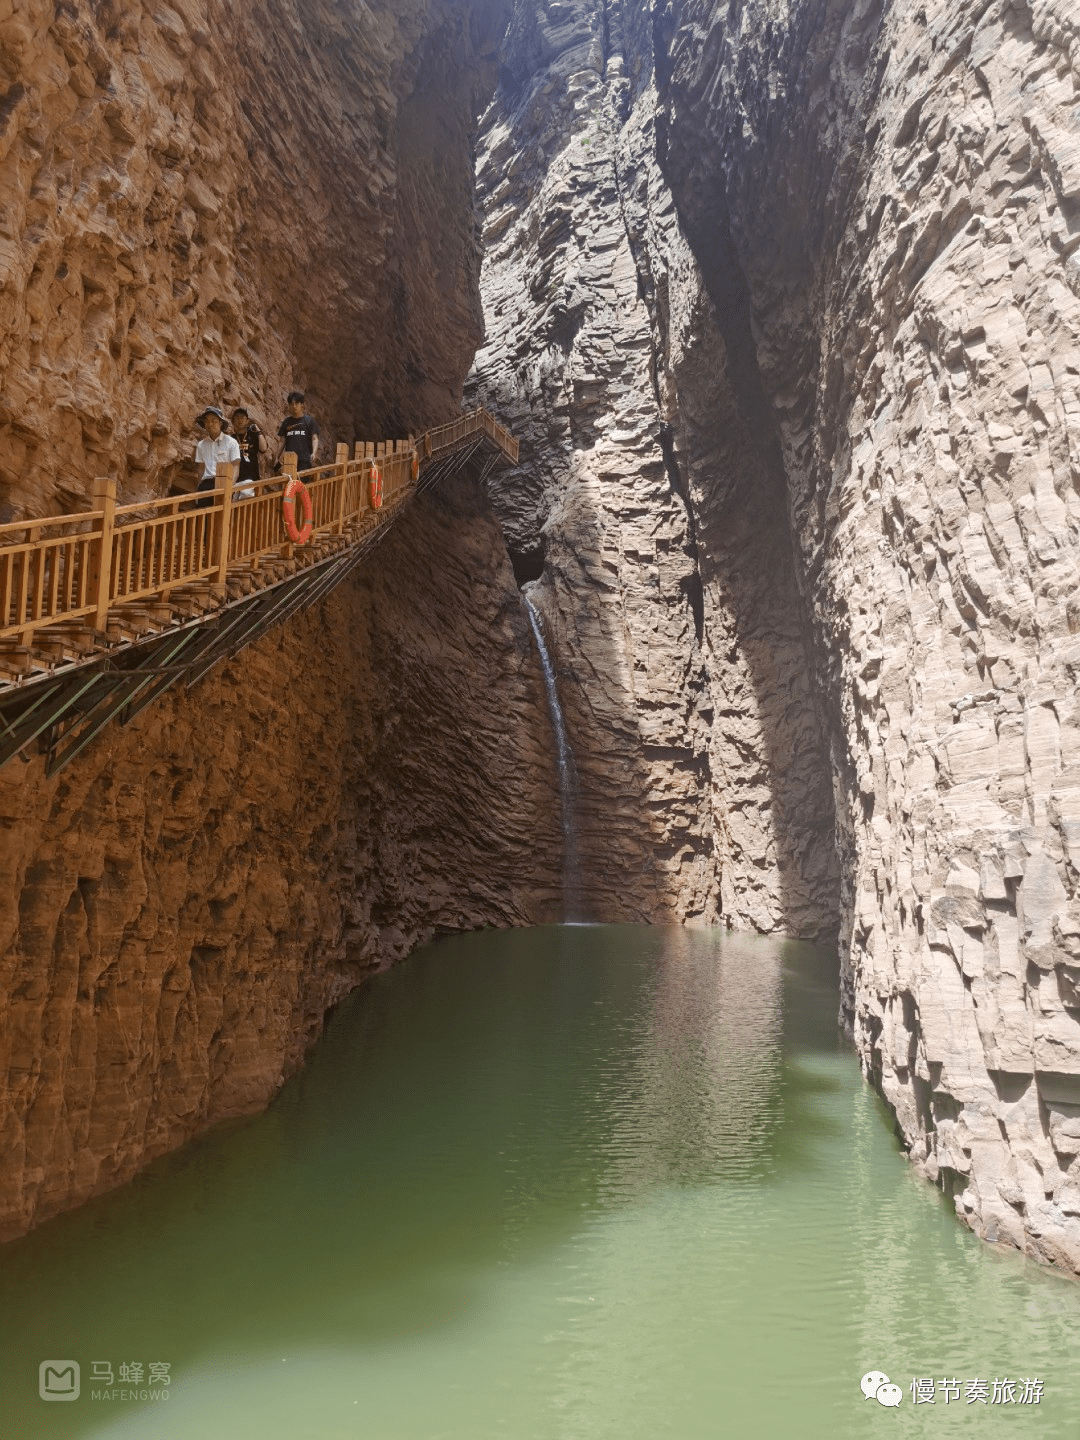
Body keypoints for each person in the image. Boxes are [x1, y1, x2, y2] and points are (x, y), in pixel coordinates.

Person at [194, 406, 241, 507]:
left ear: (220, 423)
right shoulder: (201, 445)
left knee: (220, 516)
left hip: (224, 482)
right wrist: (198, 490)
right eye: (207, 421)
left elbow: (236, 467)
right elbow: (201, 470)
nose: (210, 424)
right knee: (203, 518)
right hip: (206, 484)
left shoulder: (231, 442)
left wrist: (230, 486)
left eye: (213, 420)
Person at [275, 391, 320, 475]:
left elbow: (315, 439)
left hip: (305, 461)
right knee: (289, 486)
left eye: (296, 403)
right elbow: (282, 441)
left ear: (302, 404)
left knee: (302, 486)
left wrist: (314, 453)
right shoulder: (286, 422)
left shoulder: (309, 421)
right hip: (289, 461)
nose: (294, 406)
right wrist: (276, 457)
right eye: (291, 404)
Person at [231, 407, 267, 499]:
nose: (240, 420)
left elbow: (263, 449)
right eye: (237, 417)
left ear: (247, 421)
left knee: (246, 494)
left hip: (250, 476)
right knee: (234, 500)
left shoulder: (253, 436)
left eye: (242, 418)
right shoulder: (231, 438)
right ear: (233, 421)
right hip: (234, 477)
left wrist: (258, 431)